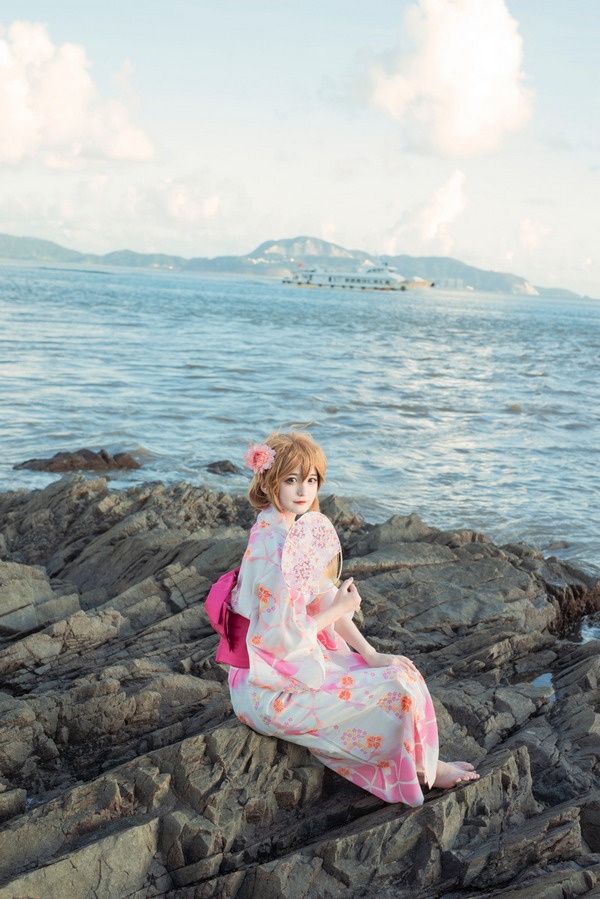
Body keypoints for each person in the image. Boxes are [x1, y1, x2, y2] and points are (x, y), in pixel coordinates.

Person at [226, 431, 479, 805]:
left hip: (287, 667)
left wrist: (370, 653)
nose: (303, 490)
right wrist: (337, 610)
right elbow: (280, 638)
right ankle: (419, 769)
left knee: (400, 672)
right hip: (267, 691)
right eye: (291, 480)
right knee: (395, 691)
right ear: (269, 482)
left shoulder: (288, 528)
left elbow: (322, 597)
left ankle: (421, 761)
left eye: (311, 480)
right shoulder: (271, 549)